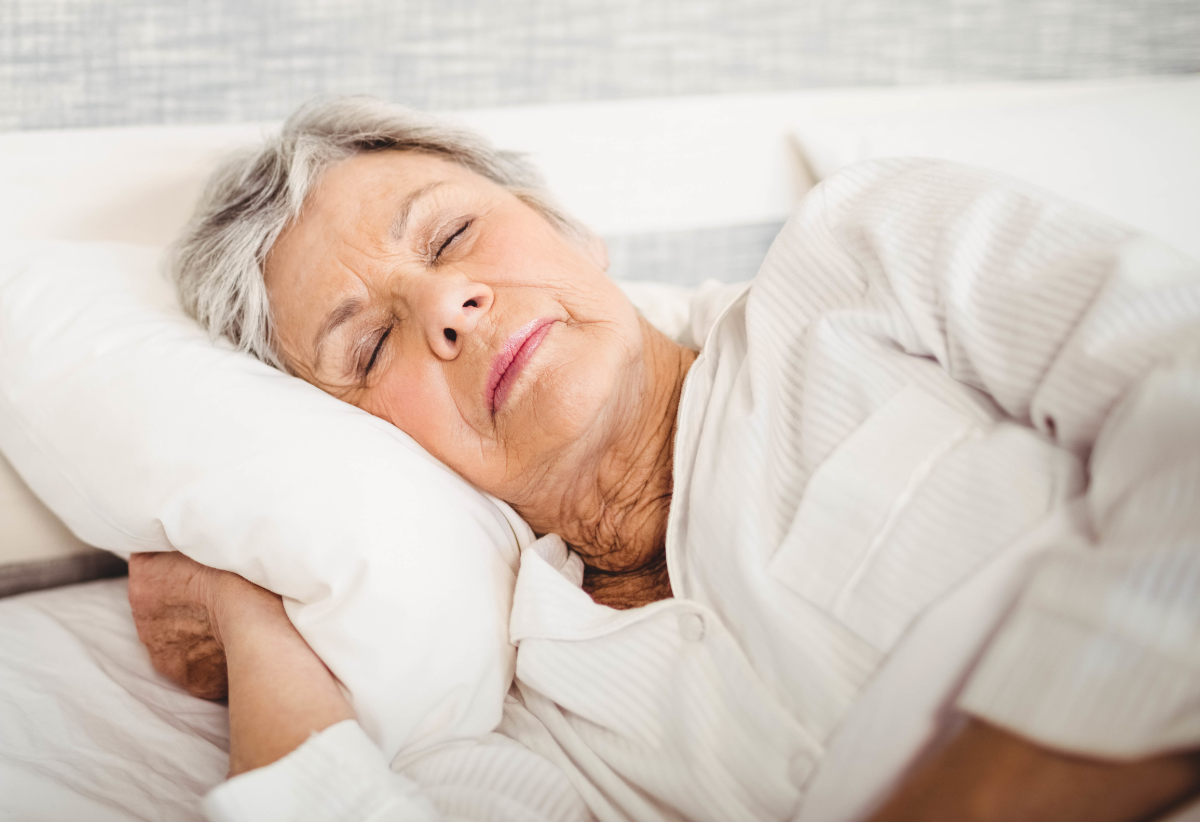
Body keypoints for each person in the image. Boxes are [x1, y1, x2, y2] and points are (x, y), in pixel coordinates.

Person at [131, 97, 1200, 822]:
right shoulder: (524, 715)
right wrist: (254, 618)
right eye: (368, 344)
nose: (449, 307)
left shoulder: (862, 262)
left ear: (569, 228)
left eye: (452, 239)